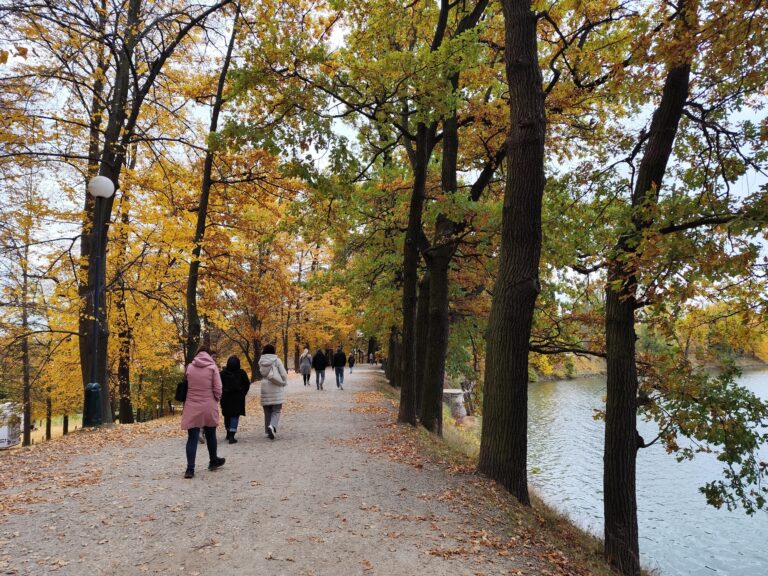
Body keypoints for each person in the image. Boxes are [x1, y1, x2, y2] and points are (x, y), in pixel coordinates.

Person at [181, 345, 225, 478]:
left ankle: (190, 469)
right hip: (208, 404)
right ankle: (213, 461)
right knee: (211, 434)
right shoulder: (212, 367)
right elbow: (218, 388)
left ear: (197, 354)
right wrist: (215, 400)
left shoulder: (189, 367)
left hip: (192, 405)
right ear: (208, 355)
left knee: (192, 437)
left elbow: (186, 385)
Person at [259, 344, 288, 439]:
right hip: (275, 386)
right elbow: (283, 373)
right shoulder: (277, 360)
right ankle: (272, 426)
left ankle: (268, 430)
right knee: (276, 410)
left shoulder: (261, 361)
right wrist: (283, 382)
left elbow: (262, 373)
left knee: (267, 410)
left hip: (264, 386)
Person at [220, 355, 250, 444]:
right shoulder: (242, 373)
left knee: (227, 415)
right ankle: (232, 435)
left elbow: (218, 385)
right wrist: (243, 393)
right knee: (235, 415)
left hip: (225, 397)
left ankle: (228, 432)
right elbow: (247, 384)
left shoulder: (222, 373)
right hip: (238, 397)